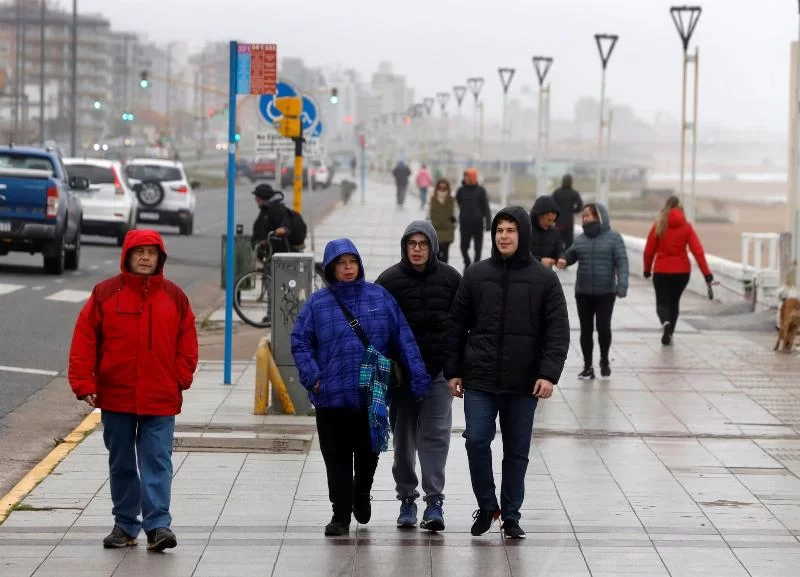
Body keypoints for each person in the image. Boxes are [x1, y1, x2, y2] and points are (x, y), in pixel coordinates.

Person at [68, 230, 198, 552]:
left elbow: (188, 341)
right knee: (122, 462)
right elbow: (85, 340)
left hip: (160, 397)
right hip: (116, 396)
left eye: (151, 253)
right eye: (138, 252)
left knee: (157, 461)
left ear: (160, 258)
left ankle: (158, 526)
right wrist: (84, 383)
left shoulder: (175, 296)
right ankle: (125, 525)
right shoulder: (105, 293)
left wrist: (179, 377)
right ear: (127, 255)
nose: (145, 258)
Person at [291, 239, 430, 537]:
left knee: (368, 455)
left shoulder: (379, 297)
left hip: (372, 396)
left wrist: (419, 378)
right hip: (330, 396)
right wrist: (312, 376)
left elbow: (403, 338)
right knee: (337, 457)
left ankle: (361, 492)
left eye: (352, 262)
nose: (348, 268)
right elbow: (300, 342)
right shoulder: (317, 303)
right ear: (330, 268)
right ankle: (340, 514)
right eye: (341, 263)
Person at [446, 207, 570, 540]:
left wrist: (549, 374)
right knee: (475, 440)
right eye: (499, 229)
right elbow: (456, 325)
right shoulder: (475, 274)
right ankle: (488, 505)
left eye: (511, 230)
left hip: (523, 382)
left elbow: (558, 330)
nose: (503, 235)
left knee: (516, 451)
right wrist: (453, 370)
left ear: (523, 234)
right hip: (480, 379)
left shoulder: (544, 279)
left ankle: (511, 514)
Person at [376, 221, 462, 532]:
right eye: (411, 243)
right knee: (403, 441)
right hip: (401, 377)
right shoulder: (388, 281)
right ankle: (407, 499)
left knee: (435, 437)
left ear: (433, 246)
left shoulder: (452, 279)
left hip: (440, 372)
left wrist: (457, 368)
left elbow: (463, 325)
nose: (416, 249)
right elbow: (376, 328)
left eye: (422, 243)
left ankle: (434, 502)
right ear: (404, 246)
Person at [558, 203, 629, 380]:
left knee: (603, 327)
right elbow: (571, 254)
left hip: (606, 292)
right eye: (583, 216)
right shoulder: (581, 239)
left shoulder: (614, 238)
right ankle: (587, 366)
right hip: (583, 292)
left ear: (599, 216)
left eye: (588, 215)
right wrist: (564, 260)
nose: (584, 218)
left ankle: (604, 360)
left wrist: (622, 285)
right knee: (586, 330)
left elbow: (622, 262)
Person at [643, 195, 713, 345]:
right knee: (674, 302)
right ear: (681, 209)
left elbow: (649, 251)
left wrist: (647, 269)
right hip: (681, 272)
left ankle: (665, 324)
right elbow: (698, 251)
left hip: (661, 271)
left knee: (662, 302)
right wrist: (707, 274)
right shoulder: (686, 227)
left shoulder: (658, 225)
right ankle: (670, 333)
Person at [455, 168, 492, 271]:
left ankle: (476, 266)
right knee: (463, 247)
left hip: (478, 224)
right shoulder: (461, 190)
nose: (465, 178)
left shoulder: (481, 191)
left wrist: (488, 222)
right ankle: (467, 262)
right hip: (465, 224)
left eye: (467, 176)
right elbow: (457, 202)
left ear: (472, 177)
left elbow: (486, 207)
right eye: (465, 176)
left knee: (478, 248)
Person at [250, 183, 292, 252]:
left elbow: (285, 224)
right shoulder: (265, 210)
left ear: (262, 197)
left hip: (276, 252)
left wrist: (283, 229)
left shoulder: (277, 209)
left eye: (257, 196)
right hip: (264, 251)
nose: (255, 199)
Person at [528, 195, 565, 267]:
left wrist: (561, 258)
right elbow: (518, 256)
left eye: (554, 220)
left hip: (546, 275)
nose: (551, 223)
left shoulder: (554, 232)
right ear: (538, 216)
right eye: (549, 220)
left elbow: (559, 250)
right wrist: (540, 260)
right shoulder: (525, 231)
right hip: (526, 274)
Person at [551, 174, 583, 249]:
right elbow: (580, 205)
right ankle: (567, 259)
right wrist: (573, 211)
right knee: (569, 242)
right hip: (569, 222)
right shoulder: (574, 193)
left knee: (558, 241)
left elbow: (551, 204)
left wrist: (555, 212)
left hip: (558, 221)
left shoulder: (557, 192)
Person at [428, 178, 457, 263]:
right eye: (440, 188)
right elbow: (428, 214)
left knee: (445, 252)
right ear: (437, 188)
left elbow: (455, 214)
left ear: (447, 188)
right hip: (435, 229)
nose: (442, 190)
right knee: (436, 252)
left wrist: (453, 225)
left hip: (447, 230)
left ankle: (444, 270)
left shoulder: (452, 199)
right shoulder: (432, 199)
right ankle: (438, 270)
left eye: (444, 188)